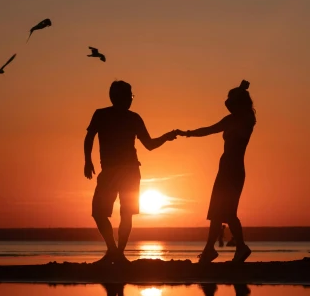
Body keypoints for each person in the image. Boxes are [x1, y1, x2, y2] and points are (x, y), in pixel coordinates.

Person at [84, 81, 178, 262]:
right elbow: (89, 137)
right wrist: (87, 161)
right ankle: (113, 251)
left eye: (131, 96)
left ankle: (117, 253)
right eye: (129, 96)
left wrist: (166, 137)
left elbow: (149, 145)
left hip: (129, 171)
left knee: (125, 213)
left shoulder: (133, 118)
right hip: (112, 171)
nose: (131, 100)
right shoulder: (102, 114)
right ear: (117, 97)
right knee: (99, 212)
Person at [181, 80, 255, 263]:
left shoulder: (246, 120)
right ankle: (209, 250)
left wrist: (239, 90)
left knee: (229, 212)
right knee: (216, 211)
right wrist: (188, 133)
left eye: (232, 103)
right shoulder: (231, 120)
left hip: (234, 169)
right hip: (225, 168)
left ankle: (241, 247)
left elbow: (238, 129)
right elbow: (209, 130)